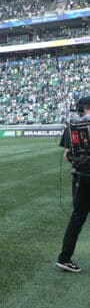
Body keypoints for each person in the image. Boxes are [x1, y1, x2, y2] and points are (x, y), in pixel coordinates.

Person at [56, 97, 90, 273]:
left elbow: (66, 156)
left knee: (77, 218)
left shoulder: (72, 127)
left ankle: (64, 258)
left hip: (80, 178)